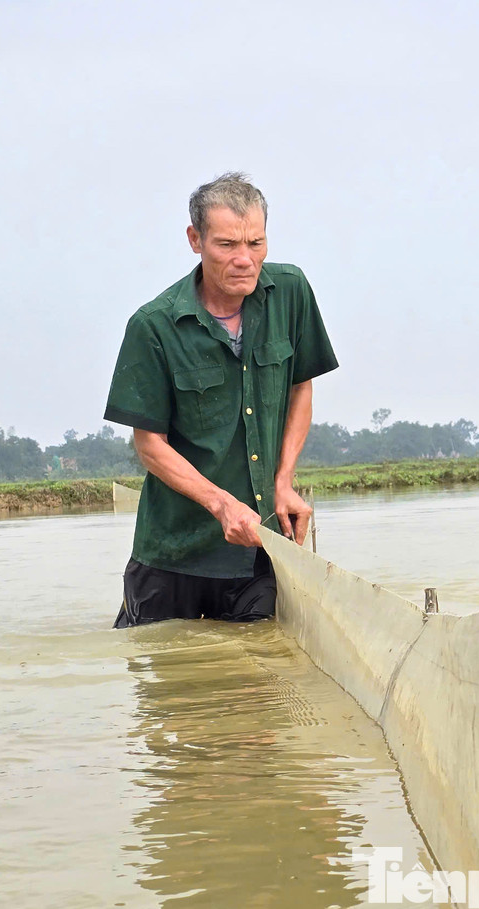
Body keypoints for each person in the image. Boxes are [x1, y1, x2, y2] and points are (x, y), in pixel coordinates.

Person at [104, 172, 338, 627]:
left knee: (260, 682)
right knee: (169, 686)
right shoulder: (153, 326)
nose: (245, 260)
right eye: (228, 245)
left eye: (256, 243)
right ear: (195, 240)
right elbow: (149, 444)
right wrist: (221, 504)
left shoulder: (290, 293)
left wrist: (283, 480)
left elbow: (300, 387)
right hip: (174, 553)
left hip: (260, 550)